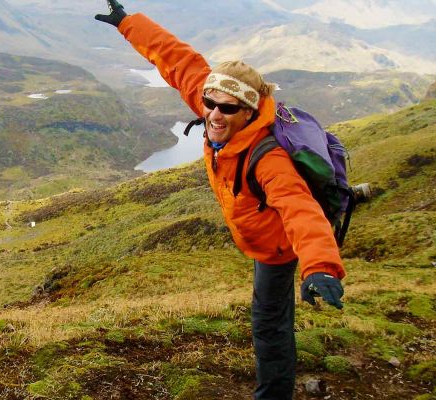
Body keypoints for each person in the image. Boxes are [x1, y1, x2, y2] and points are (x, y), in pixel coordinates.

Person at [95, 1, 346, 399]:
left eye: (227, 108)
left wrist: (321, 266)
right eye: (209, 103)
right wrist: (129, 22)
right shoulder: (216, 102)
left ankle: (274, 394)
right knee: (271, 312)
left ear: (248, 111)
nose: (214, 114)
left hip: (277, 244)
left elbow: (301, 210)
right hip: (260, 232)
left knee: (268, 321)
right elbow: (178, 59)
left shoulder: (270, 159)